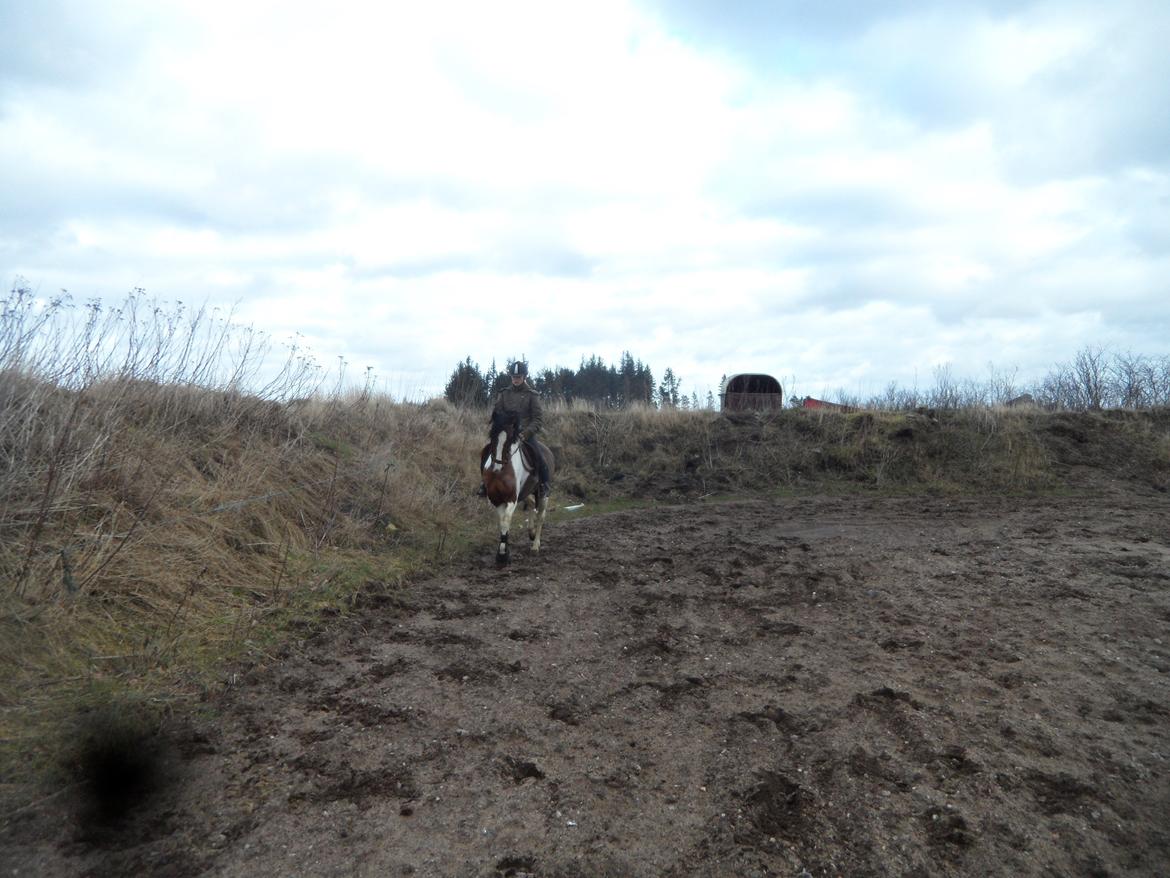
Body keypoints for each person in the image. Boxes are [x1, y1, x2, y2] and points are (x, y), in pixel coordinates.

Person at [477, 361, 550, 497]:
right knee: (487, 451)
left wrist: (526, 433)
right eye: (513, 377)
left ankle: (543, 484)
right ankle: (484, 483)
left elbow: (538, 419)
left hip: (524, 433)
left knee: (539, 456)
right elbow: (497, 412)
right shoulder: (504, 393)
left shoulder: (532, 395)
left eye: (518, 377)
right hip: (506, 434)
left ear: (524, 377)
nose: (516, 380)